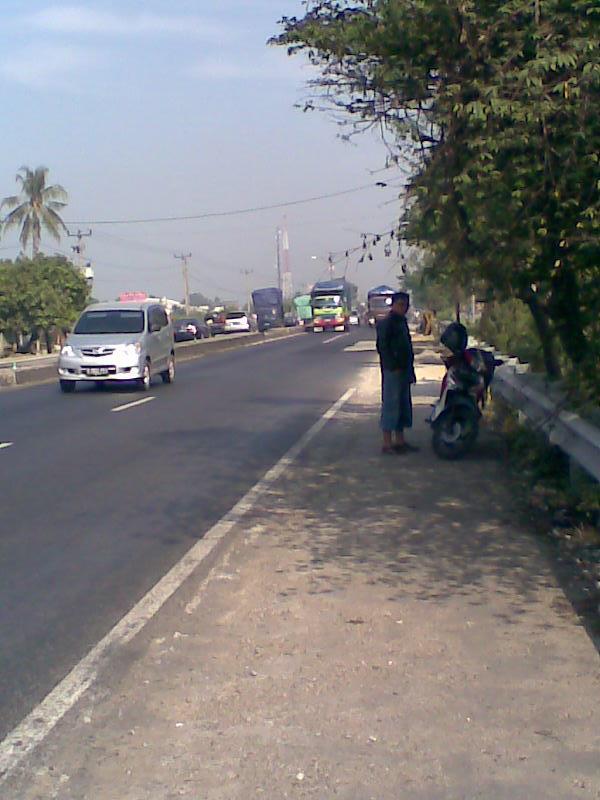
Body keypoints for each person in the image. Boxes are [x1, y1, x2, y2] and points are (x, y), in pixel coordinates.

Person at [376, 291, 418, 455]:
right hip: (392, 371)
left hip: (404, 369)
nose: (404, 308)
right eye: (400, 305)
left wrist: (410, 369)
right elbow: (383, 348)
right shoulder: (387, 323)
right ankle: (387, 444)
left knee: (403, 405)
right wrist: (393, 365)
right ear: (393, 305)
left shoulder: (402, 322)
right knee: (391, 406)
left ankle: (400, 442)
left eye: (406, 305)